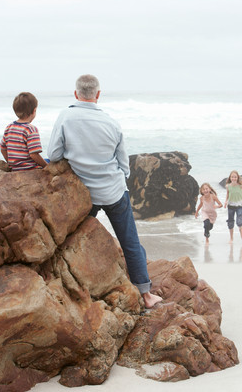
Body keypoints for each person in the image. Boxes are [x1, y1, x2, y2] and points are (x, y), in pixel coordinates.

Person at [47, 74, 162, 309]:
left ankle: (68, 286)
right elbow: (124, 165)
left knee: (72, 240)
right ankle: (146, 294)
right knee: (130, 242)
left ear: (76, 93)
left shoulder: (65, 117)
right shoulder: (111, 123)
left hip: (83, 195)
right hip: (113, 192)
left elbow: (55, 154)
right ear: (97, 95)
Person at [0, 92, 48, 171]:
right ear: (34, 111)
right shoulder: (31, 129)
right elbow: (34, 154)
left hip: (15, 169)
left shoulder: (9, 127)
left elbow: (2, 148)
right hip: (30, 169)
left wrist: (10, 163)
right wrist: (46, 166)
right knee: (49, 161)